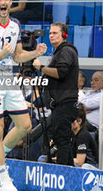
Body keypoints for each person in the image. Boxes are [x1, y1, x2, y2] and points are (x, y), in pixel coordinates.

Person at [0, 0, 47, 190]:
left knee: (25, 126)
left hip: (7, 77)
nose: (3, 2)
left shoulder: (15, 24)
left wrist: (34, 53)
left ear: (10, 2)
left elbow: (17, 57)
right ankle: (3, 178)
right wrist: (2, 55)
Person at [33, 22, 79, 166]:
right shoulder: (60, 52)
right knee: (62, 140)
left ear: (64, 35)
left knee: (62, 141)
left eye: (55, 33)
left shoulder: (65, 51)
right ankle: (70, 173)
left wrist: (41, 67)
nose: (51, 35)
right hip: (61, 104)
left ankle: (63, 174)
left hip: (64, 104)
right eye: (50, 33)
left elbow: (60, 73)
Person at [72, 103, 98, 167]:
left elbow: (79, 162)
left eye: (72, 120)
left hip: (90, 166)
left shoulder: (83, 135)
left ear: (79, 121)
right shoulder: (71, 134)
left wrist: (60, 158)